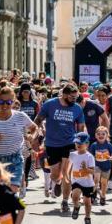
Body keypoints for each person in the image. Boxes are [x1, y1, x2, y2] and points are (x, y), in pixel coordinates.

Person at [34, 83, 85, 213]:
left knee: (67, 173)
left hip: (69, 143)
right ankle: (57, 182)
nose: (74, 100)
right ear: (64, 95)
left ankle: (65, 201)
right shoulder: (50, 104)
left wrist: (81, 143)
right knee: (55, 174)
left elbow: (80, 127)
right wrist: (34, 134)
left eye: (76, 97)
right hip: (52, 144)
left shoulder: (77, 108)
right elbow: (38, 119)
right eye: (72, 97)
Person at [0, 87, 37, 194]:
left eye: (8, 102)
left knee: (11, 191)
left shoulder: (20, 116)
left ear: (13, 102)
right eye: (1, 102)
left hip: (15, 158)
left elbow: (34, 128)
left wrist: (31, 135)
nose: (4, 105)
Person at [68, 132, 96, 224]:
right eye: (76, 143)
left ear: (87, 144)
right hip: (76, 181)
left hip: (87, 183)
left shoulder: (89, 156)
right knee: (75, 196)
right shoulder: (72, 155)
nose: (78, 145)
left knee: (87, 202)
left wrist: (86, 169)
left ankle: (87, 218)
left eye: (81, 143)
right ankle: (76, 206)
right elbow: (68, 167)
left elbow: (93, 171)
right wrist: (66, 176)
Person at [89, 126, 112, 206]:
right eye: (98, 134)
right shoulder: (94, 145)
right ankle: (91, 195)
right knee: (96, 180)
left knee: (104, 183)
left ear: (107, 135)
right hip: (97, 165)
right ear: (95, 135)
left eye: (103, 134)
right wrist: (92, 159)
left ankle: (103, 196)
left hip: (107, 166)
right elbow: (91, 155)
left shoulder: (109, 145)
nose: (101, 135)